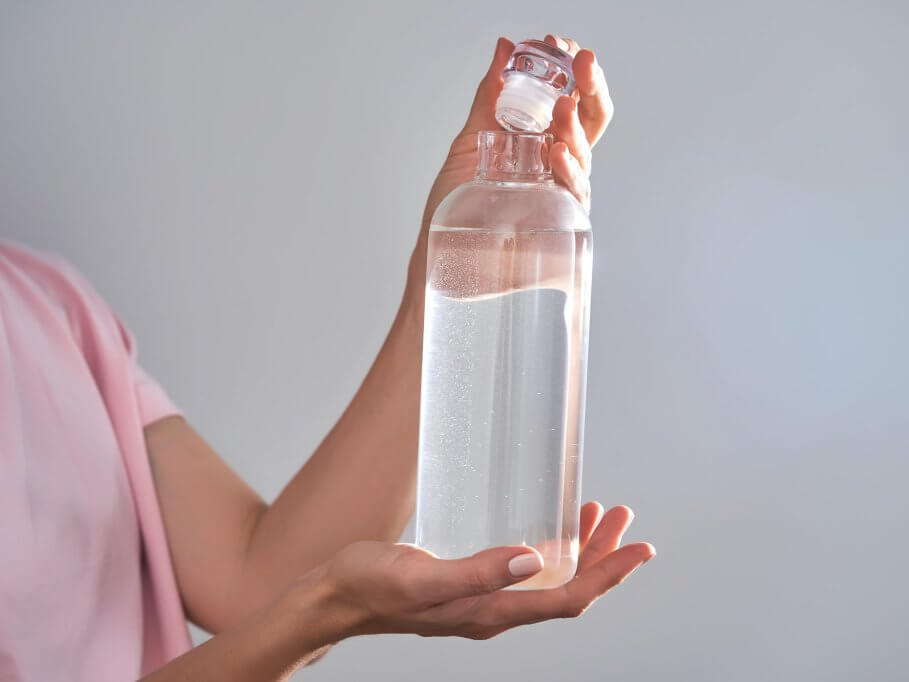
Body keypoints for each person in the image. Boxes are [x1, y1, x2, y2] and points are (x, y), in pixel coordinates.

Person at [0, 35, 654, 681]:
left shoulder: (43, 303)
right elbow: (293, 607)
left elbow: (258, 584)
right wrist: (326, 610)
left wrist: (445, 286)